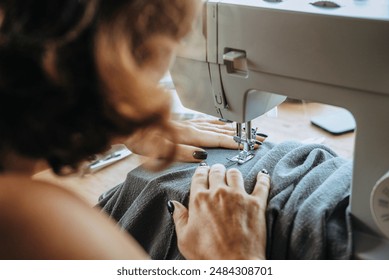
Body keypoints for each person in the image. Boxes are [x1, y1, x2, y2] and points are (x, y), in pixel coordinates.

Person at [0, 0, 270, 259]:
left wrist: (100, 126)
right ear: (127, 53)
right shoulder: (29, 218)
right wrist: (236, 257)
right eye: (178, 37)